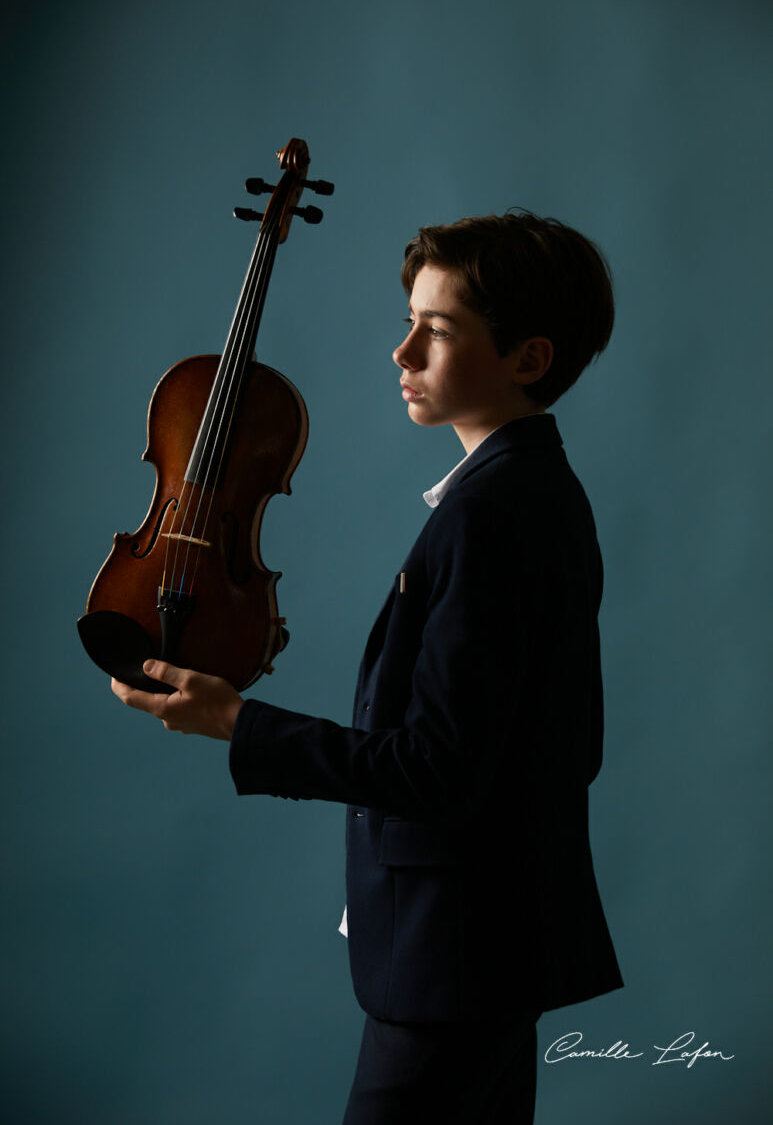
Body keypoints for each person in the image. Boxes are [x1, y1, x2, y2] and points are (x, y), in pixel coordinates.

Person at [112, 210, 623, 1123]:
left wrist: (236, 722)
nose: (402, 353)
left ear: (529, 359)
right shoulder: (525, 493)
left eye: (437, 330)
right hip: (484, 945)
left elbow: (437, 765)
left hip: (454, 956)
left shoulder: (492, 516)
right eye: (407, 322)